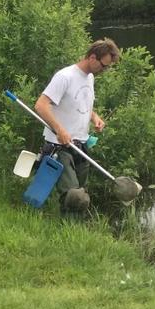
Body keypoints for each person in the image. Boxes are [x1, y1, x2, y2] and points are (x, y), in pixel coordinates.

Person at [34, 38, 120, 217]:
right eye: (103, 66)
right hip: (60, 147)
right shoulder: (65, 76)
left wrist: (95, 117)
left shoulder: (89, 78)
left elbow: (81, 105)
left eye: (108, 67)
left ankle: (69, 230)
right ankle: (64, 230)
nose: (104, 71)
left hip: (81, 146)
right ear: (92, 58)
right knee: (75, 196)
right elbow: (41, 105)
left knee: (79, 196)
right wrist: (59, 129)